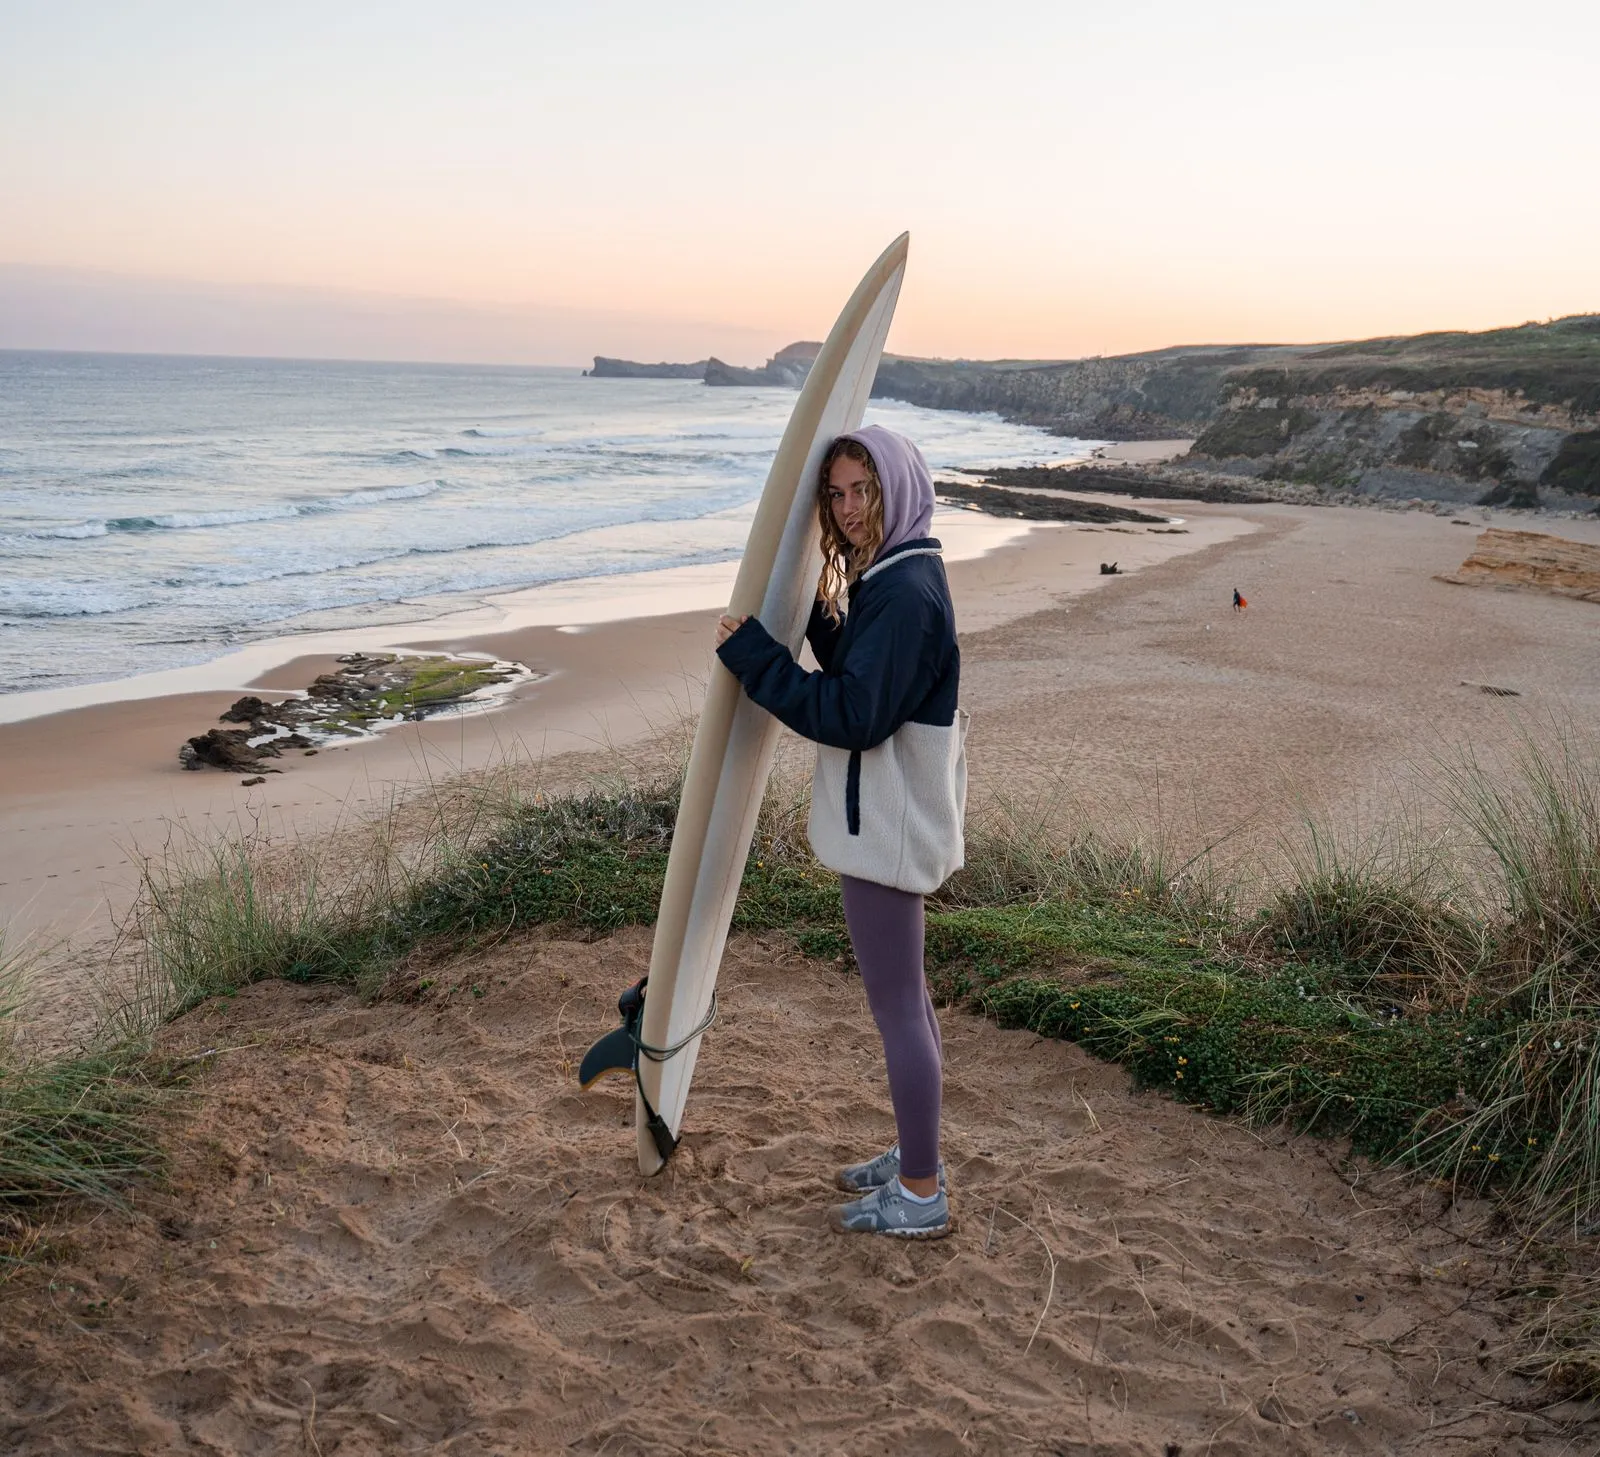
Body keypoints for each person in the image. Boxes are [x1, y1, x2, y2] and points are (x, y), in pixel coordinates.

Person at [715, 424, 967, 1240]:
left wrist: (760, 661)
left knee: (898, 1008)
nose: (850, 509)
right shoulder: (898, 571)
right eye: (837, 494)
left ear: (897, 488)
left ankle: (922, 1194)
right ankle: (915, 1152)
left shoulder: (907, 591)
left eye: (865, 491)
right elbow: (870, 669)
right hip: (890, 823)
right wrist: (819, 620)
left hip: (885, 830)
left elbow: (856, 715)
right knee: (911, 1003)